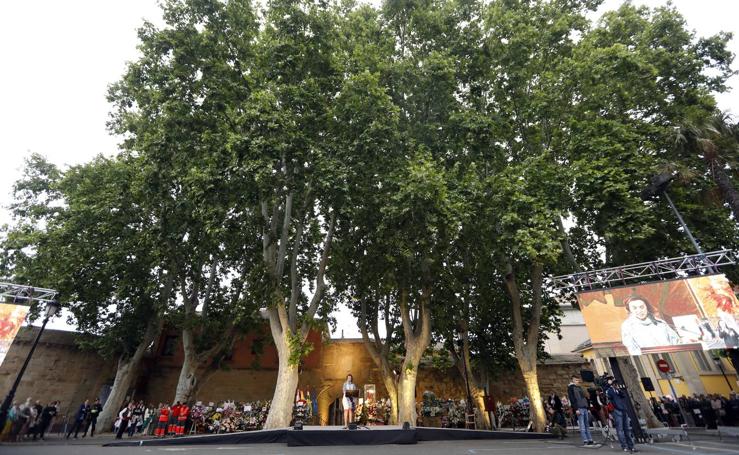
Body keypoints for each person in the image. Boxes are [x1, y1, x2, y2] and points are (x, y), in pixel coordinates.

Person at [606, 376, 638, 453]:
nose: (616, 385)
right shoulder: (609, 391)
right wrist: (612, 388)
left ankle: (631, 446)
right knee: (620, 429)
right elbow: (610, 397)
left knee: (627, 429)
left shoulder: (618, 391)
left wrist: (618, 390)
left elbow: (623, 396)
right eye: (614, 383)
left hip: (623, 410)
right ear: (612, 384)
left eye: (616, 383)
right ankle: (624, 446)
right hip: (617, 411)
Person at [568, 375, 595, 446]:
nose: (578, 381)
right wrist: (576, 409)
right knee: (582, 425)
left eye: (578, 380)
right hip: (579, 407)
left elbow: (584, 397)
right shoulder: (571, 388)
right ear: (573, 380)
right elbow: (572, 399)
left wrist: (588, 408)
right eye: (576, 380)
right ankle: (585, 440)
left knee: (587, 424)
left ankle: (590, 439)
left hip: (584, 406)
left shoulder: (579, 387)